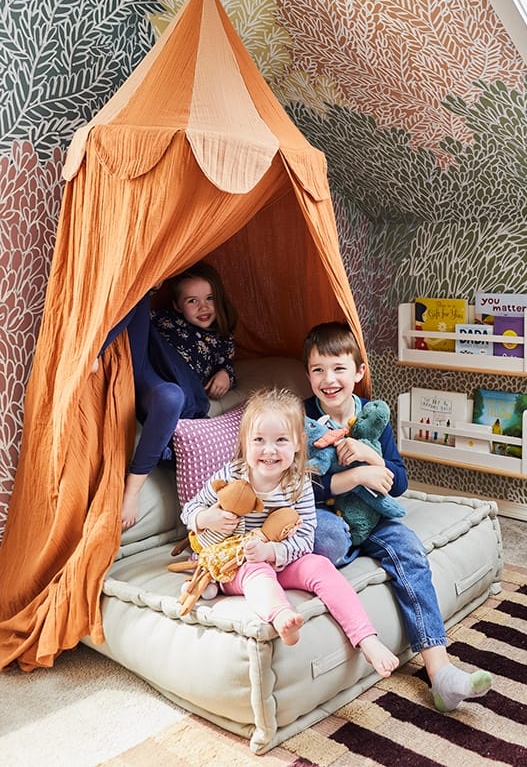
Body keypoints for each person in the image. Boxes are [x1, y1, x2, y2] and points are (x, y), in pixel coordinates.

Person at [302, 321, 493, 712]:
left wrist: (372, 459)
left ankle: (440, 673)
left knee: (408, 549)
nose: (329, 379)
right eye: (318, 370)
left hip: (372, 517)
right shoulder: (302, 420)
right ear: (308, 376)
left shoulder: (372, 416)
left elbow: (399, 481)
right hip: (322, 514)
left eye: (339, 368)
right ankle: (347, 554)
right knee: (329, 537)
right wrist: (354, 476)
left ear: (358, 372)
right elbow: (295, 487)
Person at [180, 387, 399, 677]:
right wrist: (207, 518)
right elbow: (189, 510)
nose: (269, 450)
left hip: (279, 558)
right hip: (236, 565)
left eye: (280, 440)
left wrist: (273, 551)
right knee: (258, 569)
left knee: (319, 565)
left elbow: (306, 537)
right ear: (245, 442)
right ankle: (282, 615)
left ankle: (366, 638)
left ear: (298, 443)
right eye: (259, 440)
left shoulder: (298, 483)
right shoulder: (230, 475)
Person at [98, 261, 238, 530]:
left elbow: (228, 366)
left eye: (209, 298)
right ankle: (93, 352)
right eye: (192, 301)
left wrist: (225, 374)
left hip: (176, 391)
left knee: (172, 397)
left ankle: (132, 490)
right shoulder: (164, 319)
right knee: (137, 295)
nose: (203, 307)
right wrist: (150, 286)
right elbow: (137, 324)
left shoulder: (221, 339)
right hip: (144, 372)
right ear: (177, 306)